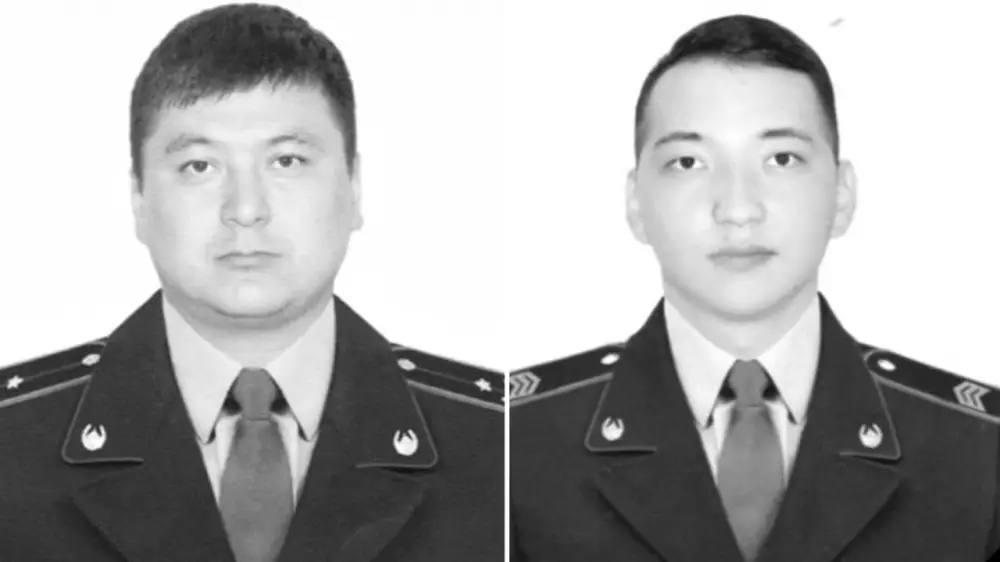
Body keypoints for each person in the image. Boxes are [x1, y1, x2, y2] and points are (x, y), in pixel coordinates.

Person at [0, 4, 503, 561]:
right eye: (199, 166)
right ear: (139, 198)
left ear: (354, 187)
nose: (245, 209)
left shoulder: (497, 443)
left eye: (287, 161)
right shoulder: (11, 442)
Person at [509, 13, 999, 562]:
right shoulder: (517, 442)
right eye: (688, 162)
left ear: (842, 196)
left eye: (781, 159)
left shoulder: (979, 451)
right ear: (636, 203)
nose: (738, 209)